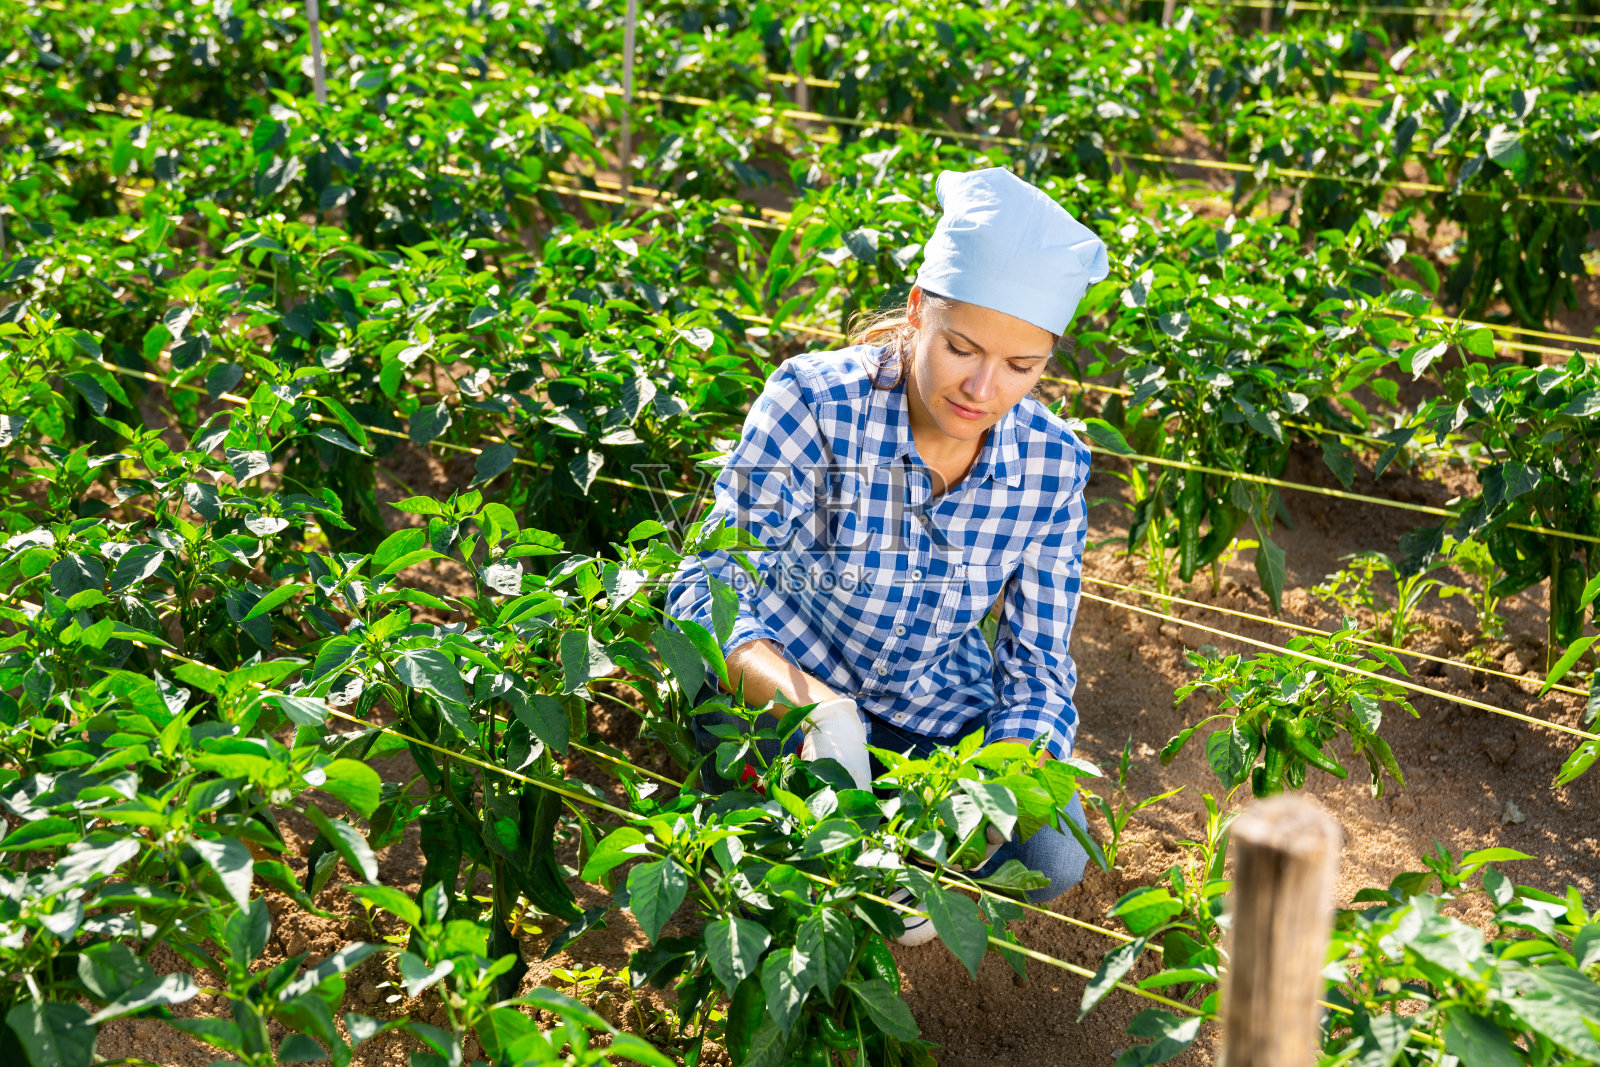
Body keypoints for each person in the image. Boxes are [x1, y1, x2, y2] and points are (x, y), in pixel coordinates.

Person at [665, 166, 1110, 942]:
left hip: (927, 703)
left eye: (1021, 366)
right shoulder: (814, 400)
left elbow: (1037, 664)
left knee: (1051, 848)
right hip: (786, 680)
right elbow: (711, 583)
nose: (982, 387)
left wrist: (992, 793)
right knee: (786, 856)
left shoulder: (1052, 464)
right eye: (962, 347)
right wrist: (815, 709)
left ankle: (910, 880)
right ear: (916, 314)